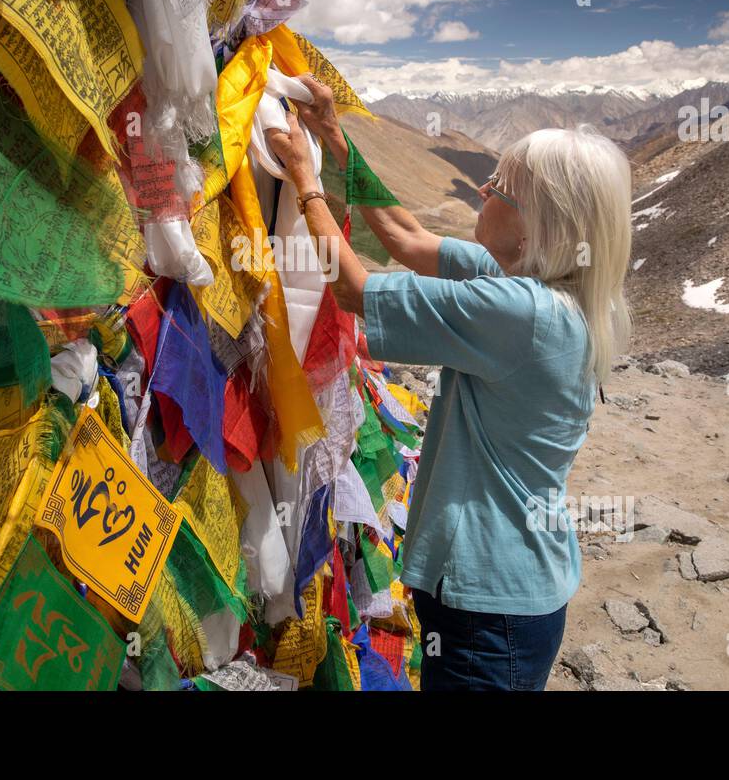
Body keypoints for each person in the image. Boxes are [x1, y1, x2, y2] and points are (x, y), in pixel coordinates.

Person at [264, 75, 633, 691]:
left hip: (488, 609)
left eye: (499, 188)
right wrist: (334, 137)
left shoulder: (521, 314)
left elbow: (354, 289)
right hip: (510, 595)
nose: (482, 192)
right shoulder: (544, 287)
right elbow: (405, 238)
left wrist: (306, 182)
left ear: (534, 223)